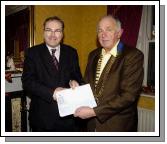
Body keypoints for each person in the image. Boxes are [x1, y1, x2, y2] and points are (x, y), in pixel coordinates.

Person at [74, 15, 144, 132]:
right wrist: (78, 85)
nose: (103, 34)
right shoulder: (93, 55)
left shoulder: (132, 56)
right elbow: (89, 84)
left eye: (108, 29)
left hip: (117, 126)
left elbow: (128, 96)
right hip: (91, 125)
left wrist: (94, 112)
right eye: (100, 30)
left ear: (119, 33)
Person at [22, 16, 84, 132]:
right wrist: (52, 93)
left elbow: (77, 76)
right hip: (42, 119)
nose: (52, 35)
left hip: (69, 119)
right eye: (48, 30)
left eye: (57, 31)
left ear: (62, 33)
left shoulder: (71, 52)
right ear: (43, 31)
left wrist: (75, 81)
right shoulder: (32, 53)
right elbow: (27, 82)